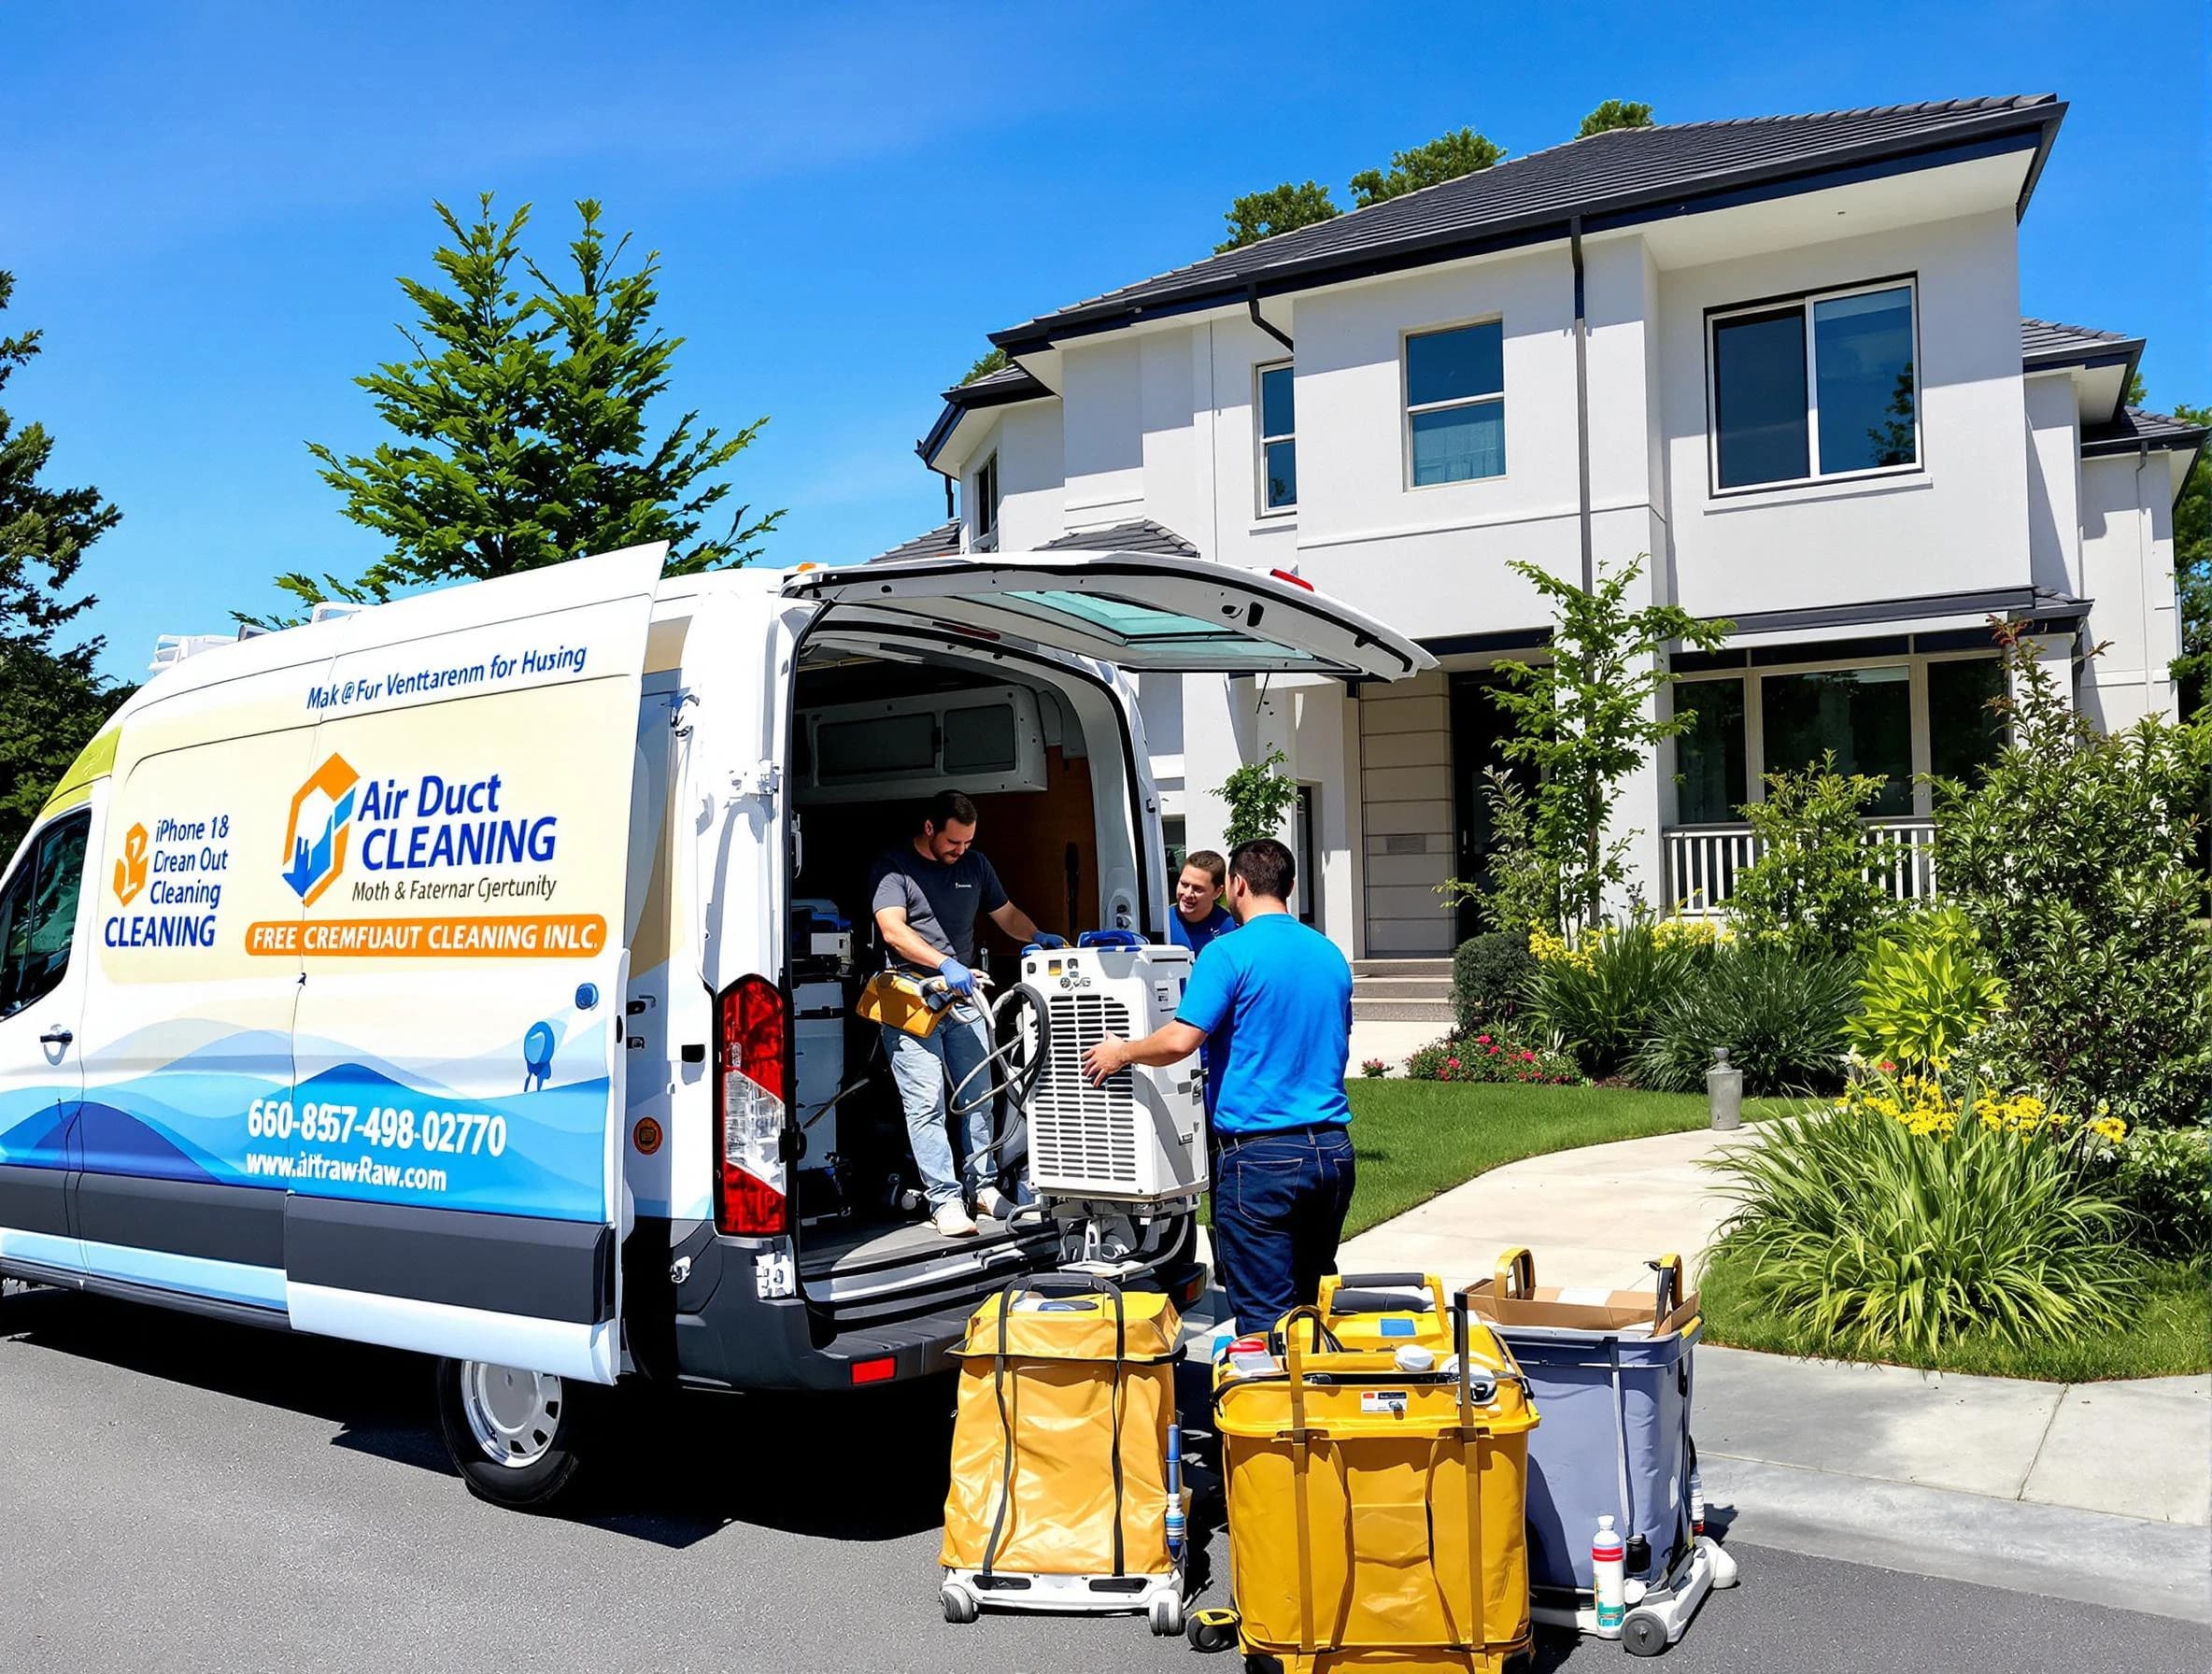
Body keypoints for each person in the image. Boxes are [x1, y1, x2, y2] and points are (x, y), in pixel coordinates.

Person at [1083, 837, 1353, 1333]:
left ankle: (1273, 1404)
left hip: (1262, 1159)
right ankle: (1318, 1397)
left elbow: (1181, 1041)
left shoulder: (1227, 953)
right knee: (1314, 1297)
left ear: (1236, 886)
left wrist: (1120, 1050)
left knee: (1266, 1315)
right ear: (1290, 887)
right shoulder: (1330, 954)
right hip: (1333, 1154)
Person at [870, 790, 1063, 1238]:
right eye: (953, 843)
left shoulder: (975, 866)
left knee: (980, 1094)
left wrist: (1037, 935)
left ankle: (984, 1187)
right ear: (930, 828)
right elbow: (893, 930)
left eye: (968, 843)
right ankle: (945, 1200)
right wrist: (944, 963)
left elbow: (1006, 913)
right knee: (927, 1103)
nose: (960, 852)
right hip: (910, 997)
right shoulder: (894, 867)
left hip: (961, 996)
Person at [1168, 849, 1235, 958]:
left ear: (1217, 892)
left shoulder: (1230, 930)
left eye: (1198, 889)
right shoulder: (1162, 923)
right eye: (1184, 884)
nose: (1188, 894)